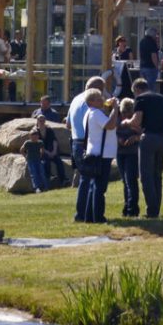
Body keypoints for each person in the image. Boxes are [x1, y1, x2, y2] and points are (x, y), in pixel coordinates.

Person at [125, 77, 163, 219]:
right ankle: (156, 208)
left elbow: (137, 121)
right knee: (157, 175)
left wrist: (127, 122)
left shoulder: (141, 99)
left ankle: (151, 210)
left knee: (146, 177)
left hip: (149, 139)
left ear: (137, 90)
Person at [78, 89, 119, 223]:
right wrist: (115, 109)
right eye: (98, 99)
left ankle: (89, 217)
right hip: (102, 154)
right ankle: (98, 217)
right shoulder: (96, 113)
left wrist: (109, 108)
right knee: (100, 188)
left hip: (94, 152)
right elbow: (110, 125)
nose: (101, 100)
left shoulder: (89, 113)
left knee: (93, 186)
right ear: (90, 102)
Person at [68, 76, 109, 210]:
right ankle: (85, 212)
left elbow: (68, 124)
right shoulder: (91, 103)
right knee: (90, 180)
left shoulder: (75, 99)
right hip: (87, 142)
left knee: (84, 179)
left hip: (75, 141)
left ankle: (82, 212)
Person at [115, 98, 142, 217]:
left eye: (129, 113)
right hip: (120, 152)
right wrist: (117, 140)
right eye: (124, 113)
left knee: (131, 180)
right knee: (124, 181)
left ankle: (133, 209)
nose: (126, 115)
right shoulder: (117, 119)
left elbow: (143, 133)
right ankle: (127, 206)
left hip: (133, 152)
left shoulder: (137, 120)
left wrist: (136, 138)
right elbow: (111, 131)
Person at [35, 114, 66, 185]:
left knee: (59, 161)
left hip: (52, 151)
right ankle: (48, 178)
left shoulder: (49, 130)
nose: (42, 122)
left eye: (43, 120)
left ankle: (63, 179)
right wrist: (48, 153)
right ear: (37, 121)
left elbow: (54, 141)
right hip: (42, 152)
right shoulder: (35, 131)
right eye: (40, 120)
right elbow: (38, 145)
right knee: (46, 162)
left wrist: (54, 151)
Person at [21, 127, 49, 193]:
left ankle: (46, 187)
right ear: (30, 136)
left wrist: (40, 156)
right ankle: (37, 188)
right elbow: (22, 150)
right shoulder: (27, 143)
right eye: (33, 135)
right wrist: (26, 157)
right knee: (34, 174)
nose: (35, 137)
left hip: (38, 160)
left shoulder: (40, 142)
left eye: (36, 135)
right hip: (30, 160)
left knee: (42, 173)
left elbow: (42, 150)